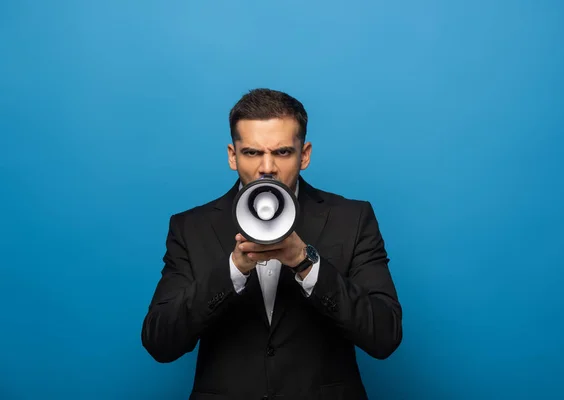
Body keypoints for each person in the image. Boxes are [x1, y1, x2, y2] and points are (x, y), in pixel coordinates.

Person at [141, 88, 403, 400]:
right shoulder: (190, 227)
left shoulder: (353, 219)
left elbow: (385, 335)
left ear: (304, 155)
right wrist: (233, 271)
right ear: (232, 155)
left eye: (282, 152)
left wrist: (307, 264)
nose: (267, 168)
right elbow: (160, 342)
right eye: (252, 152)